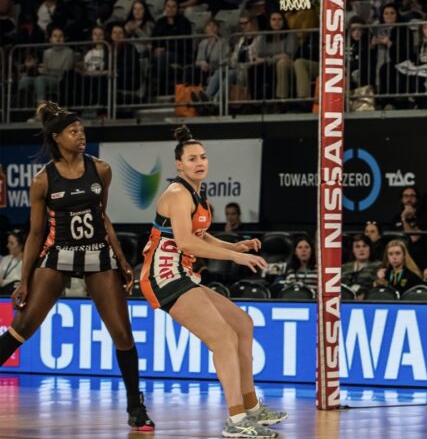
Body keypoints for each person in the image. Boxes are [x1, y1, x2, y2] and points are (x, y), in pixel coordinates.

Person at [0, 103, 154, 431]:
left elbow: (103, 218)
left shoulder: (101, 170)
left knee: (123, 335)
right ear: (57, 138)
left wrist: (123, 262)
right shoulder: (43, 180)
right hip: (58, 254)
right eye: (73, 131)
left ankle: (135, 407)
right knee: (22, 327)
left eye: (82, 130)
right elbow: (36, 234)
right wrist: (24, 280)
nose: (81, 135)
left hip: (98, 254)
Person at [139, 125, 285, 438]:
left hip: (182, 275)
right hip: (164, 276)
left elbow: (200, 235)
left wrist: (235, 246)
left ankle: (252, 408)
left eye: (203, 157)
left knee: (242, 325)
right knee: (222, 338)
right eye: (192, 158)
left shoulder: (196, 193)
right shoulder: (177, 194)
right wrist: (237, 258)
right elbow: (187, 244)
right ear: (179, 165)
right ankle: (236, 421)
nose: (200, 162)